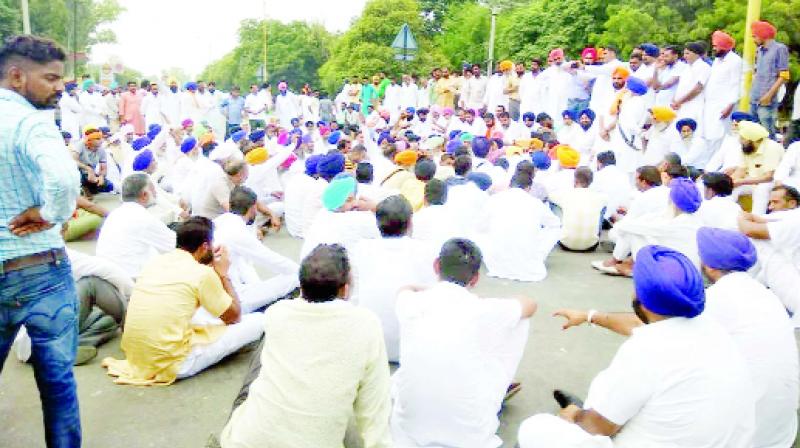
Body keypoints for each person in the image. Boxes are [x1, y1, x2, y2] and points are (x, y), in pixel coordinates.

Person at [519, 246, 755, 447]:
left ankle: (577, 408)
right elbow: (638, 324)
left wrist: (572, 416)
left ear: (642, 297)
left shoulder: (646, 349)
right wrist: (589, 315)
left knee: (536, 427)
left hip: (622, 431)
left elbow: (596, 427)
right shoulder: (713, 329)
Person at [220, 244, 392, 447]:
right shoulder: (366, 323)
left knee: (265, 355)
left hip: (245, 441)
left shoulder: (278, 312)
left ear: (301, 288)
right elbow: (374, 410)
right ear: (345, 289)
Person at [0, 34, 83, 447]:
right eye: (50, 78)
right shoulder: (30, 122)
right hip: (41, 270)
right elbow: (66, 179)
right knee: (57, 384)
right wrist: (48, 214)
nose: (58, 87)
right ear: (17, 76)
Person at [391, 238, 536, 447]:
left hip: (411, 426)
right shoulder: (484, 309)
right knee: (517, 323)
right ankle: (494, 384)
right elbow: (530, 305)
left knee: (401, 376)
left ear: (436, 266)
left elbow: (403, 289)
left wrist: (428, 288)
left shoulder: (412, 302)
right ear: (475, 279)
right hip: (468, 433)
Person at [102, 217, 263, 385]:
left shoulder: (156, 262)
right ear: (205, 247)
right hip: (175, 363)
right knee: (258, 320)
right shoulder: (202, 273)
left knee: (199, 314)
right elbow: (234, 316)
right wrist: (223, 274)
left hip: (138, 359)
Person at [695, 228, 799, 447]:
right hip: (780, 433)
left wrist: (601, 317)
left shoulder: (713, 299)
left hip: (743, 437)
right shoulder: (766, 294)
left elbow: (660, 333)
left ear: (710, 265)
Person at [351, 195, 437, 362]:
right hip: (411, 349)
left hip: (370, 346)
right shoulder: (426, 251)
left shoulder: (361, 248)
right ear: (411, 223)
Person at [209, 186, 299, 317]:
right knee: (294, 277)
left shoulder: (220, 221)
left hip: (218, 294)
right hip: (233, 301)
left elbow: (244, 264)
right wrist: (302, 272)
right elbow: (271, 260)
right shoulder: (237, 231)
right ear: (252, 208)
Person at [593, 177, 702, 276]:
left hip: (672, 272)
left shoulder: (679, 222)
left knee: (633, 231)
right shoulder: (690, 218)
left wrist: (620, 226)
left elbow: (628, 226)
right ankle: (623, 261)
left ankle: (618, 261)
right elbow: (652, 220)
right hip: (682, 267)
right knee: (634, 228)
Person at [475, 171, 561, 282]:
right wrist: (540, 250)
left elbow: (479, 227)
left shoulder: (494, 199)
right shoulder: (535, 203)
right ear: (529, 188)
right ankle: (535, 256)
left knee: (476, 231)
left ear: (509, 186)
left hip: (496, 265)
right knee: (554, 228)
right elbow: (555, 224)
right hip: (529, 265)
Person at [96, 173, 176, 279]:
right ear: (144, 195)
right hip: (132, 281)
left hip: (109, 277)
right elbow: (175, 245)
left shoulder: (116, 213)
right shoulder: (143, 218)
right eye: (153, 189)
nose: (156, 193)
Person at [300, 175, 380, 260]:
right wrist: (375, 208)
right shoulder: (356, 219)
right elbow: (386, 231)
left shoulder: (322, 212)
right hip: (334, 270)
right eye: (349, 200)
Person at [730, 121, 784, 215]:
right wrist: (728, 182)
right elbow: (740, 171)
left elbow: (768, 177)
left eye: (743, 138)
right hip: (751, 180)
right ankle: (727, 216)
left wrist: (741, 181)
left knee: (761, 189)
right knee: (730, 188)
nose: (740, 141)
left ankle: (756, 218)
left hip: (772, 183)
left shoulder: (772, 147)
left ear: (752, 140)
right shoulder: (746, 148)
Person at [703, 31, 742, 153]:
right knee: (709, 134)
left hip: (724, 105)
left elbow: (736, 84)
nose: (714, 49)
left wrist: (730, 106)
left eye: (716, 46)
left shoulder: (735, 61)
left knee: (720, 136)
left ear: (724, 46)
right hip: (711, 104)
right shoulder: (717, 60)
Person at [551, 167, 607, 251]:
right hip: (591, 245)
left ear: (575, 180)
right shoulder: (600, 197)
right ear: (591, 181)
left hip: (565, 244)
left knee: (553, 204)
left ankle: (561, 232)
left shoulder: (564, 194)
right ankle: (592, 235)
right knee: (602, 207)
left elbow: (549, 196)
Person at [750, 21, 790, 137]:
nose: (754, 39)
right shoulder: (759, 50)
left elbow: (784, 76)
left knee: (767, 135)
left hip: (767, 101)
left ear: (763, 35)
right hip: (754, 99)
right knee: (753, 135)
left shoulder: (780, 49)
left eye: (755, 36)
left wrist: (769, 95)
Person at [671, 42, 711, 132]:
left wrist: (680, 101)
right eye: (684, 53)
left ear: (696, 54)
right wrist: (674, 100)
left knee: (690, 132)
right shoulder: (686, 68)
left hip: (693, 106)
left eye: (688, 53)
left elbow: (698, 89)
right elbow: (681, 86)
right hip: (680, 106)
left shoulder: (704, 67)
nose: (685, 56)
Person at [590, 151, 632, 222]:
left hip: (603, 218)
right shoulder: (624, 176)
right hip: (620, 216)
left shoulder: (597, 176)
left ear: (599, 163)